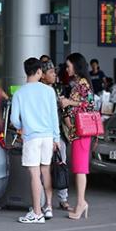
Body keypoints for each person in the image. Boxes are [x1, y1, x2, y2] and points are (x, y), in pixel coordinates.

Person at [10, 57, 60, 224]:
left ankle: (36, 213)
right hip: (47, 137)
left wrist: (21, 127)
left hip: (31, 137)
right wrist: (56, 138)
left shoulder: (19, 93)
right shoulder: (49, 91)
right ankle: (48, 207)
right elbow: (54, 117)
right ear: (39, 72)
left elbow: (14, 119)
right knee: (46, 171)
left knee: (34, 174)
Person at [59, 53, 95, 220]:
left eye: (68, 65)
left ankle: (81, 203)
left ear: (76, 65)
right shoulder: (79, 83)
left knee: (80, 169)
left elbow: (89, 105)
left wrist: (68, 102)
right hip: (78, 131)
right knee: (79, 168)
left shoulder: (82, 83)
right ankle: (81, 202)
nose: (67, 69)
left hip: (81, 131)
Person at [40, 59, 71, 211]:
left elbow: (62, 111)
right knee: (44, 168)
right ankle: (44, 200)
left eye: (54, 71)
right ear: (43, 75)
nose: (54, 74)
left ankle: (63, 198)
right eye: (51, 72)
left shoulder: (58, 89)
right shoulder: (39, 90)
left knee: (61, 165)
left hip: (57, 133)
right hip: (45, 133)